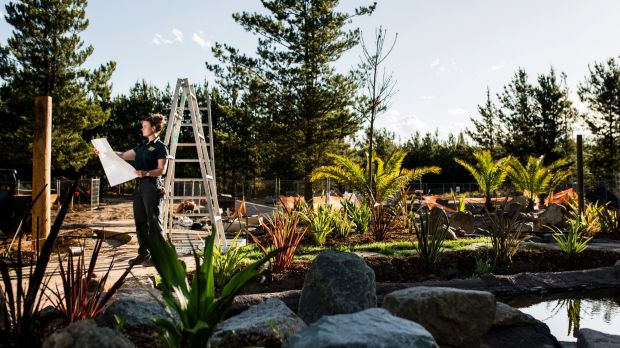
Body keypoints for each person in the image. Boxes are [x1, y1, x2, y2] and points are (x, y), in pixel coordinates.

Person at [103, 114, 169, 266]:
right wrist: (104, 153)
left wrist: (146, 173)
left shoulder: (160, 147)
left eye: (144, 126)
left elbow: (161, 170)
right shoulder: (142, 146)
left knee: (153, 223)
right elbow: (123, 155)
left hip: (152, 186)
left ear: (153, 128)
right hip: (139, 187)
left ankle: (158, 257)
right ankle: (143, 255)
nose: (142, 128)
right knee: (140, 222)